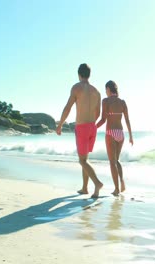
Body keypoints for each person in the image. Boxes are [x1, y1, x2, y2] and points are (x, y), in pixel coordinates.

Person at [56, 63, 103, 198]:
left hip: (82, 127)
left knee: (82, 161)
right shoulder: (97, 91)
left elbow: (68, 107)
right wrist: (91, 124)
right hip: (92, 127)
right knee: (85, 158)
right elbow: (97, 113)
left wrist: (60, 124)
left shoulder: (76, 88)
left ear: (79, 74)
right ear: (89, 74)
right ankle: (84, 188)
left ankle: (97, 183)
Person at [96, 80, 133, 196]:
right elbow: (127, 120)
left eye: (105, 90)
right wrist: (131, 136)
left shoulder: (106, 101)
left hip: (111, 132)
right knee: (116, 160)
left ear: (108, 89)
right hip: (121, 133)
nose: (105, 92)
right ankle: (121, 183)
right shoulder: (122, 102)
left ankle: (116, 189)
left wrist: (93, 127)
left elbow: (103, 120)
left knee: (112, 163)